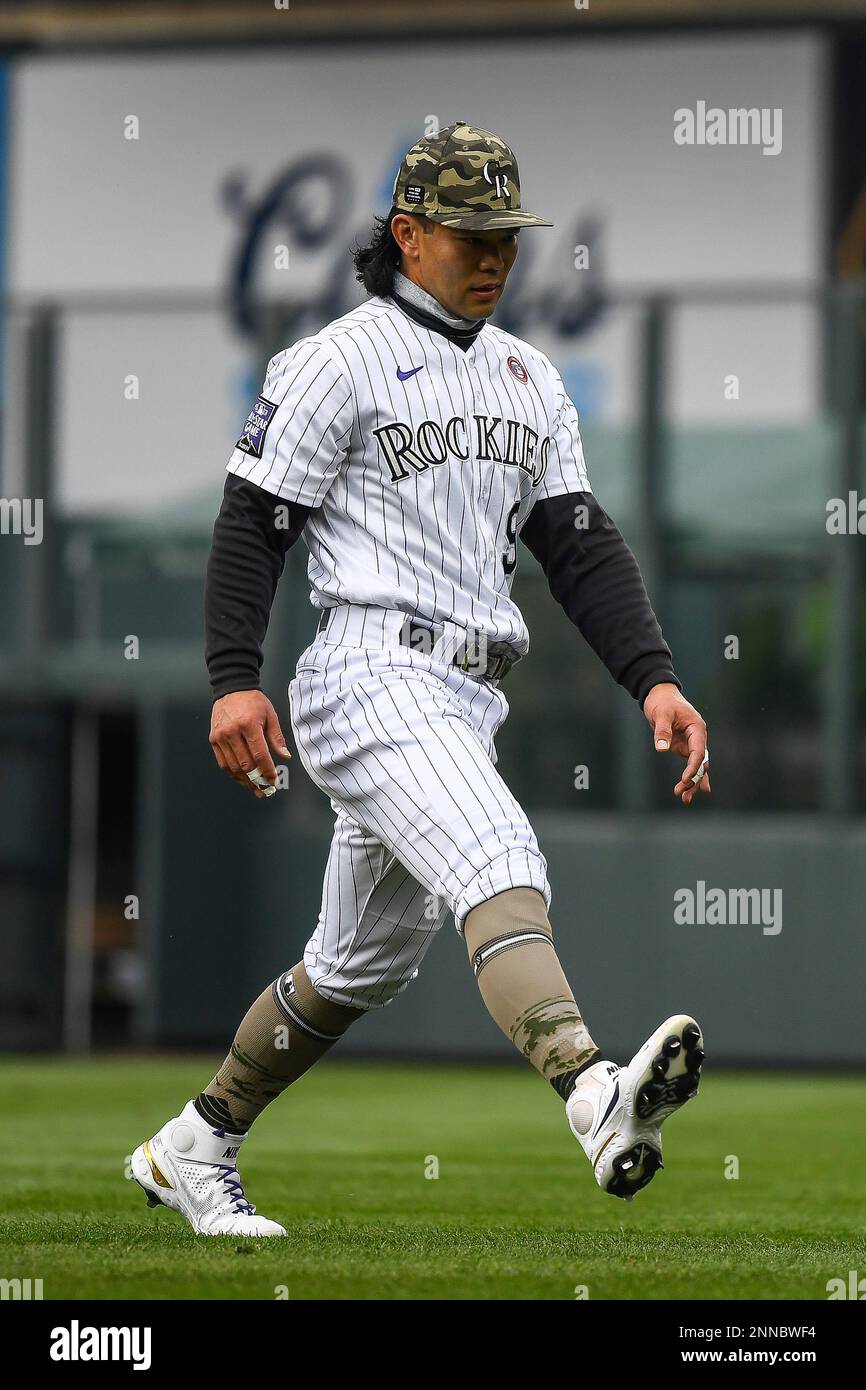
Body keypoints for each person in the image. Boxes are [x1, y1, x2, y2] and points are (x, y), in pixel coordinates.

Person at [129, 123, 710, 1237]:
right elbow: (253, 524)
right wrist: (231, 678)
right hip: (366, 668)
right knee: (496, 854)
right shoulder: (331, 359)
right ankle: (593, 1095)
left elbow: (577, 544)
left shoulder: (528, 376)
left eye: (507, 236)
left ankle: (196, 1144)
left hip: (463, 694)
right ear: (407, 233)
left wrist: (653, 679)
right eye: (470, 233)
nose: (494, 255)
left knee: (354, 965)